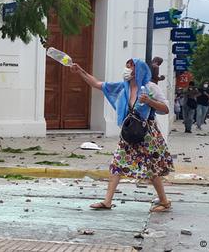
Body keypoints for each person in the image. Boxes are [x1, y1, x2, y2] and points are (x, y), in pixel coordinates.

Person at [71, 57, 173, 213]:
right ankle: (107, 201)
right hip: (128, 133)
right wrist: (80, 71)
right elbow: (97, 84)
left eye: (130, 67)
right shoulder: (122, 87)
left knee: (152, 169)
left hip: (147, 133)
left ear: (138, 71)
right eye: (126, 67)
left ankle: (164, 202)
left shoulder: (150, 87)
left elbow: (165, 109)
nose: (127, 70)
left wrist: (149, 101)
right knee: (117, 165)